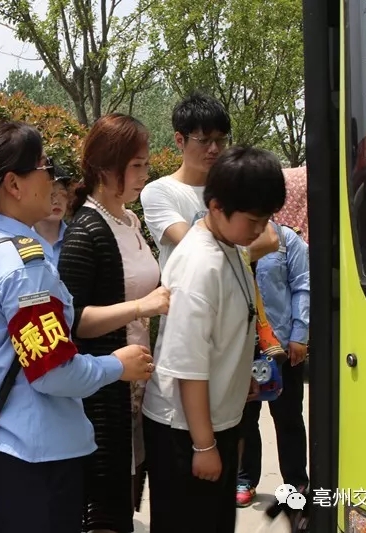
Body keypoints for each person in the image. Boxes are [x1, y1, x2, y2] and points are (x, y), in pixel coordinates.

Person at [0, 121, 155, 533]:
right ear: (13, 184)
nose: (53, 179)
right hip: (35, 461)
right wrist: (117, 366)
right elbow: (53, 372)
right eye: (45, 168)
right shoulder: (23, 268)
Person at [142, 146, 287, 533]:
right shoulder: (200, 265)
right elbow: (188, 367)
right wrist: (204, 446)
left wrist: (239, 381)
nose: (261, 230)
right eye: (253, 220)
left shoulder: (229, 247)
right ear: (217, 206)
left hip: (210, 421)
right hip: (184, 431)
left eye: (267, 219)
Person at [58, 113, 169, 533]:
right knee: (104, 505)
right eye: (136, 165)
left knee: (125, 495)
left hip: (135, 388)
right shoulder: (87, 231)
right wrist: (143, 306)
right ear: (106, 168)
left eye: (145, 164)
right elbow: (74, 321)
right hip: (105, 393)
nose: (144, 174)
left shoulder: (129, 222)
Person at [140, 92, 278, 270]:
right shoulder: (159, 192)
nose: (214, 149)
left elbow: (270, 238)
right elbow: (195, 249)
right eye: (204, 140)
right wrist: (245, 252)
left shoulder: (235, 187)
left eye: (220, 140)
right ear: (180, 140)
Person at [236, 222, 310, 506]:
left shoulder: (286, 239)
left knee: (288, 416)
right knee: (244, 416)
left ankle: (296, 483)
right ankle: (244, 479)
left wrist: (299, 334)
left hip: (280, 344)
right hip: (240, 345)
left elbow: (303, 286)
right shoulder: (228, 238)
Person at [33, 164, 73, 263]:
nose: (56, 201)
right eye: (51, 194)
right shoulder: (19, 239)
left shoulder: (77, 239)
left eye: (62, 194)